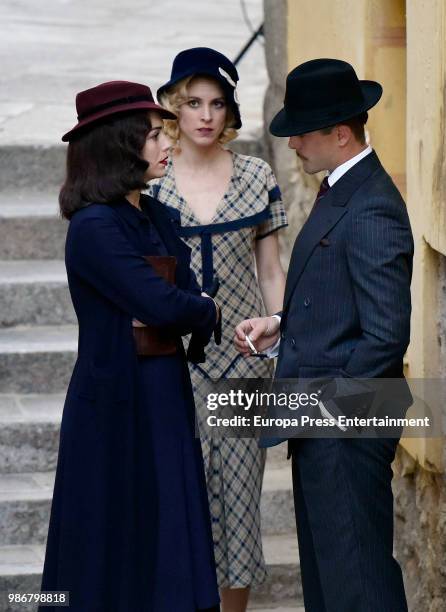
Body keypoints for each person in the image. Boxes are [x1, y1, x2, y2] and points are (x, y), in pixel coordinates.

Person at [235, 59, 413, 612]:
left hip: (343, 423)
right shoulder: (342, 188)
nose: (293, 146)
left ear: (340, 133)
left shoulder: (371, 207)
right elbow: (341, 298)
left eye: (302, 134)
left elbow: (386, 334)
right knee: (332, 580)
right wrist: (284, 325)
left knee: (356, 582)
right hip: (324, 419)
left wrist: (332, 418)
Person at [39, 80, 221, 612]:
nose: (168, 144)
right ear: (121, 146)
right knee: (107, 533)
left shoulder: (157, 214)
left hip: (162, 390)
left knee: (166, 524)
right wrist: (201, 307)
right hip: (114, 402)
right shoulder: (94, 228)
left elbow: (175, 294)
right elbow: (171, 304)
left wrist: (186, 303)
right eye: (153, 135)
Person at [153, 47, 287, 612]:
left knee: (237, 500)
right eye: (192, 103)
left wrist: (278, 325)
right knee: (176, 495)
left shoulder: (257, 176)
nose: (205, 115)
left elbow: (272, 268)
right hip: (171, 362)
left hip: (242, 363)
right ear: (173, 109)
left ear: (228, 110)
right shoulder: (153, 181)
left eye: (216, 103)